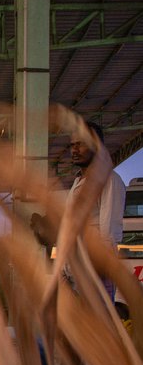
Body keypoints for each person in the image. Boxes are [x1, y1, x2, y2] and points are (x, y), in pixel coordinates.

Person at [69, 121, 125, 299]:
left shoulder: (109, 179)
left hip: (97, 267)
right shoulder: (78, 181)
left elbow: (109, 227)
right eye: (72, 145)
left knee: (101, 322)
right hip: (78, 266)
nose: (74, 150)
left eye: (80, 144)